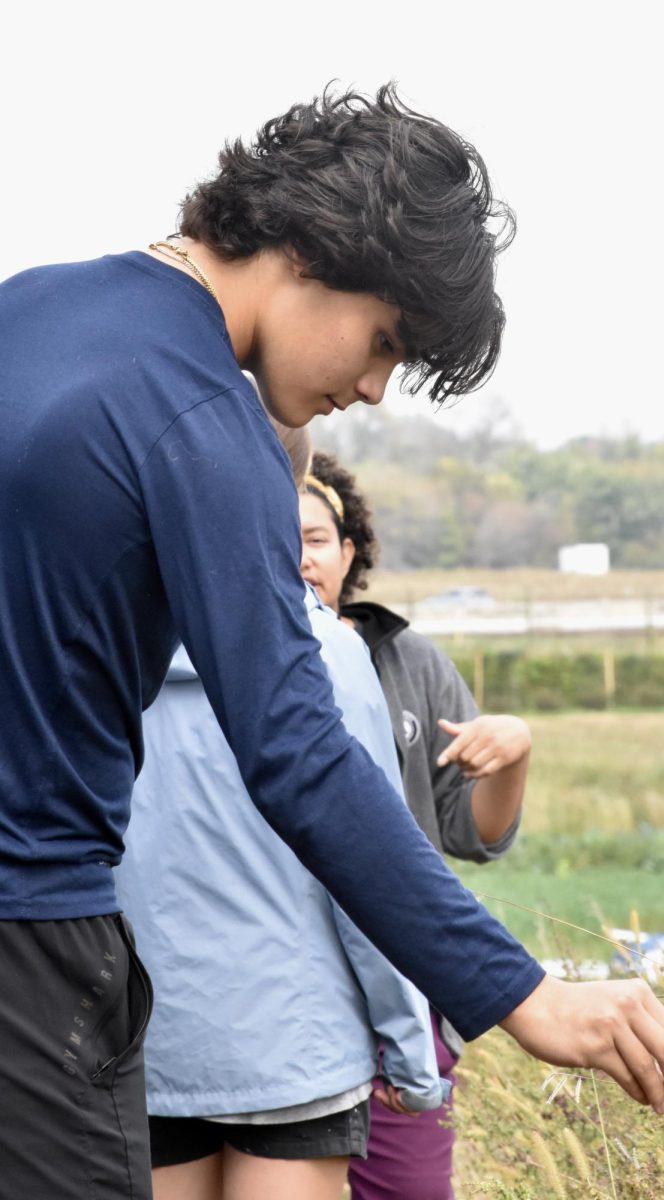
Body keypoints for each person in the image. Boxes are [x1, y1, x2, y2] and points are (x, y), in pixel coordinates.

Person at [0, 83, 664, 1199]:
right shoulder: (200, 418)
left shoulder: (27, 310)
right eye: (383, 342)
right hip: (30, 931)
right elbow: (299, 753)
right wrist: (519, 992)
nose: (370, 388)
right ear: (313, 253)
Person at [115, 417, 449, 1200]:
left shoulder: (94, 642)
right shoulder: (326, 653)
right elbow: (367, 863)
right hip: (296, 1048)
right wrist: (408, 1049)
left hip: (140, 1045)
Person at [300, 452, 531, 1200]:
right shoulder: (200, 663)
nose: (297, 556)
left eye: (313, 537)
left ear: (349, 551)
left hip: (399, 986)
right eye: (273, 535)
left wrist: (510, 755)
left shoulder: (407, 662)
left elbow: (476, 834)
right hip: (280, 990)